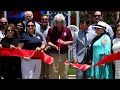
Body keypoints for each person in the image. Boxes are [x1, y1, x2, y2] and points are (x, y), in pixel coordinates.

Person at [46, 13, 73, 79]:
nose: (59, 23)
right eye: (57, 22)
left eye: (61, 22)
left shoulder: (67, 30)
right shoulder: (51, 30)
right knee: (53, 73)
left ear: (63, 22)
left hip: (64, 55)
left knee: (64, 73)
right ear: (55, 22)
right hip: (54, 54)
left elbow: (71, 41)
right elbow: (48, 42)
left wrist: (64, 42)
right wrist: (55, 46)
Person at [39, 14, 51, 79]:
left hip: (48, 53)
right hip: (39, 53)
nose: (44, 20)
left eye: (45, 19)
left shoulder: (51, 29)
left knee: (48, 72)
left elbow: (53, 40)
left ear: (48, 20)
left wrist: (47, 47)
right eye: (43, 19)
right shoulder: (38, 29)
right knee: (41, 72)